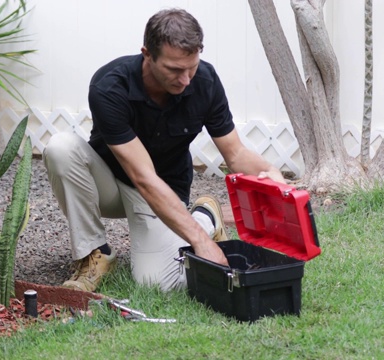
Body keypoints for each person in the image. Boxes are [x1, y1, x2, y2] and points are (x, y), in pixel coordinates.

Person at [43, 8, 285, 293]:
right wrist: (201, 244)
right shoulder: (110, 86)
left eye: (191, 67)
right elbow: (143, 177)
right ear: (147, 54)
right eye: (174, 70)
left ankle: (204, 218)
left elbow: (234, 153)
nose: (185, 80)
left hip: (164, 192)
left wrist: (268, 172)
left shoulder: (205, 82)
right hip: (110, 183)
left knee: (157, 282)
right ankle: (94, 253)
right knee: (60, 148)